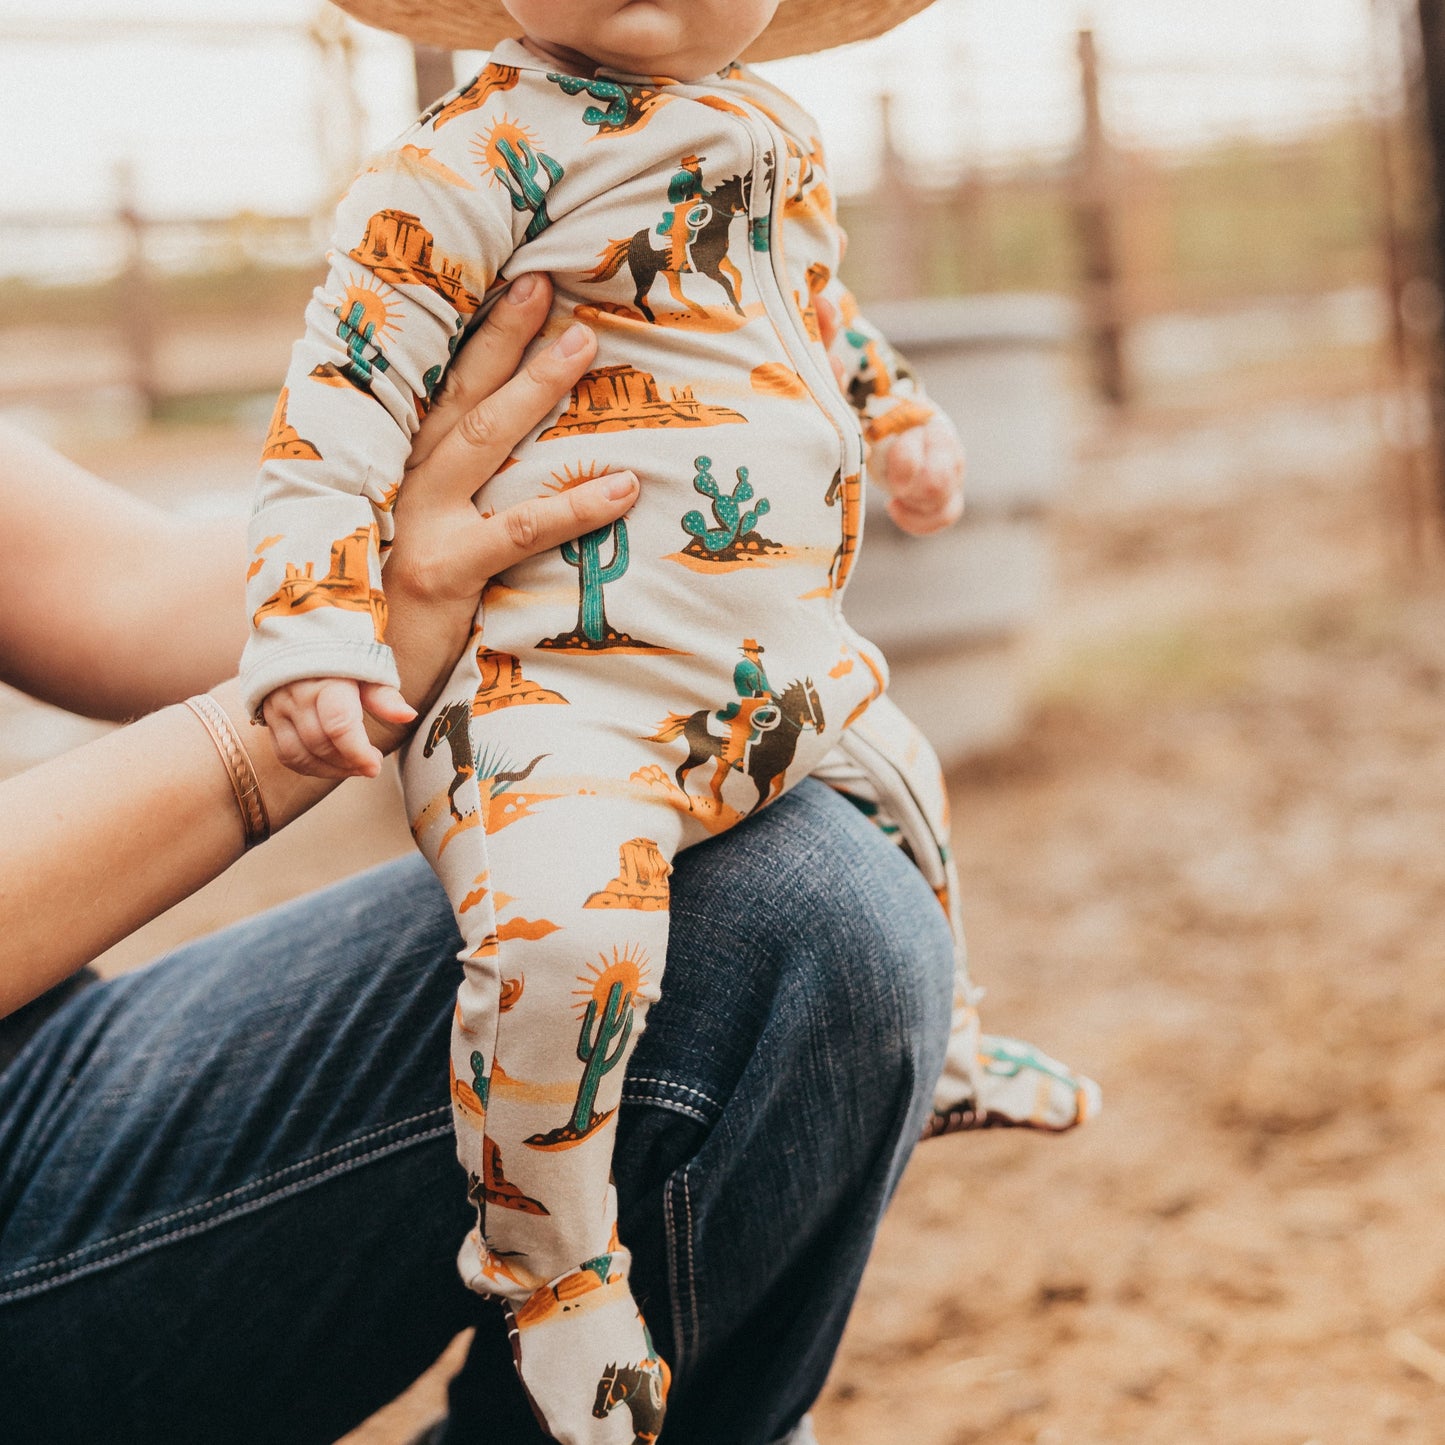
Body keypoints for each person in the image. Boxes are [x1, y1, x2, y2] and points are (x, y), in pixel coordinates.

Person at [242, 3, 1097, 1436]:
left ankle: (945, 1045)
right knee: (561, 949)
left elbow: (806, 300)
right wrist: (316, 619)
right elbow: (339, 402)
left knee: (903, 787)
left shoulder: (769, 126)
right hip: (551, 698)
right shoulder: (466, 160)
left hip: (767, 665)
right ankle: (553, 1270)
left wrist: (893, 411)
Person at [0, 287, 958, 1445]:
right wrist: (330, 694)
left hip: (37, 1071)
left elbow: (123, 589)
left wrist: (480, 496)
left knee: (767, 907)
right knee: (757, 915)